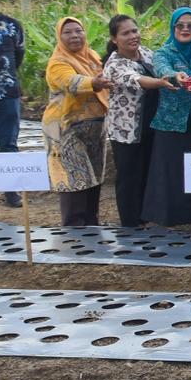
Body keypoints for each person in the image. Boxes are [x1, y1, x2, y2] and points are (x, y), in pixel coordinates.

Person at [101, 15, 172, 228]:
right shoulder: (114, 64)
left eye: (134, 31)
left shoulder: (147, 53)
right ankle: (130, 223)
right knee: (129, 176)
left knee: (146, 171)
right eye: (125, 33)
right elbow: (137, 80)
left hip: (150, 125)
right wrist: (160, 82)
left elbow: (163, 67)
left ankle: (145, 217)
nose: (133, 36)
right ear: (114, 39)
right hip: (126, 129)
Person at [142, 8, 191, 228]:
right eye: (180, 25)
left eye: (190, 25)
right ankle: (167, 218)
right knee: (169, 171)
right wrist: (174, 76)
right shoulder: (163, 53)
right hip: (170, 122)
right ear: (173, 28)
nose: (185, 29)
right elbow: (162, 69)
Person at [43, 17, 110, 226]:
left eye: (78, 31)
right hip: (66, 129)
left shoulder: (92, 56)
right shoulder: (57, 63)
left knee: (94, 177)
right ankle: (74, 229)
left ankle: (91, 224)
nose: (74, 36)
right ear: (59, 36)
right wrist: (94, 82)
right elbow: (71, 82)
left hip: (95, 126)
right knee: (74, 179)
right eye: (68, 32)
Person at [0, 11, 25, 208]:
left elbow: (18, 56)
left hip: (7, 92)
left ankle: (11, 191)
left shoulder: (12, 24)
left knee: (9, 143)